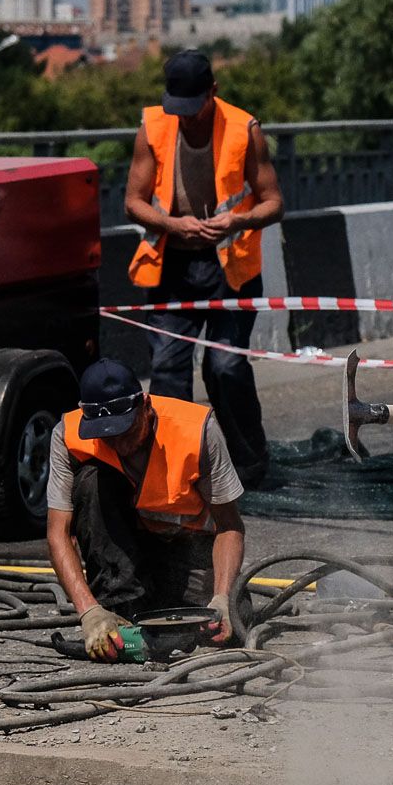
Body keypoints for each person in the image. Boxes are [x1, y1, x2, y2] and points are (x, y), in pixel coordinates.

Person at [123, 49, 284, 489]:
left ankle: (250, 464)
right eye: (178, 109)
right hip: (171, 267)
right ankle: (176, 469)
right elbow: (133, 201)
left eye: (193, 110)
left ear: (213, 92)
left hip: (230, 269)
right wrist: (173, 224)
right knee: (169, 368)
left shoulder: (244, 130)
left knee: (225, 366)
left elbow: (274, 202)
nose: (186, 119)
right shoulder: (153, 128)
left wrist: (238, 220)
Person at [46, 359, 246, 662]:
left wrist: (221, 597)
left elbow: (230, 526)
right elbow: (57, 534)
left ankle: (162, 602)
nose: (119, 444)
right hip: (129, 545)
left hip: (187, 546)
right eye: (107, 435)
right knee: (91, 482)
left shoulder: (197, 431)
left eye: (127, 431)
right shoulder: (67, 435)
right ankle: (118, 607)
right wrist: (89, 611)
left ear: (146, 406)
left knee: (233, 618)